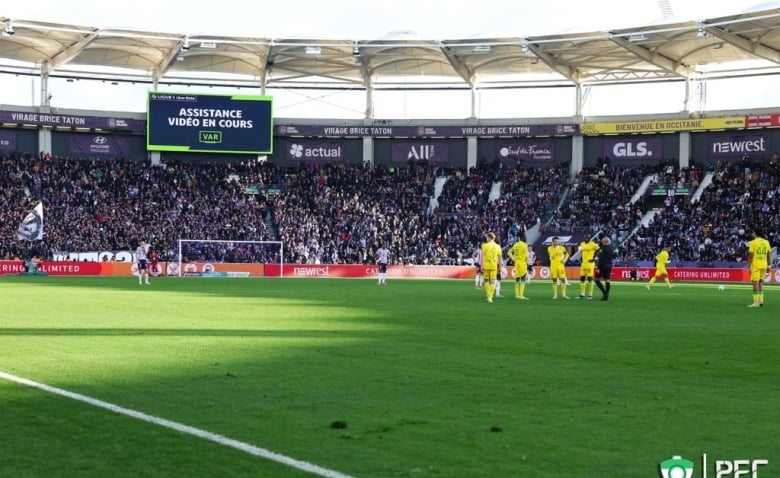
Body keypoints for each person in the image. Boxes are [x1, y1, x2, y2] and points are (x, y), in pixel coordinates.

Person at [746, 227, 771, 307]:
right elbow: (768, 255)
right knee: (761, 283)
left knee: (755, 284)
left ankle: (756, 303)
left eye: (753, 232)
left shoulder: (753, 242)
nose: (752, 234)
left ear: (756, 233)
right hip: (764, 265)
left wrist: (749, 266)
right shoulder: (766, 242)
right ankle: (761, 301)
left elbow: (750, 256)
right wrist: (769, 266)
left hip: (756, 265)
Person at [480, 232, 502, 303]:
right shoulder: (498, 246)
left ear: (490, 238)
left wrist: (481, 265)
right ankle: (490, 297)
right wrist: (500, 267)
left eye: (487, 237)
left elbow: (482, 256)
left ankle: (488, 296)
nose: (486, 238)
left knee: (486, 280)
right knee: (492, 281)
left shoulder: (484, 245)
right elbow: (500, 258)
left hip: (486, 265)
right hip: (494, 266)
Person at [507, 233, 530, 300]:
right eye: (525, 237)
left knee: (517, 278)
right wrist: (527, 263)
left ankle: (517, 295)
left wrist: (513, 258)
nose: (526, 238)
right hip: (522, 263)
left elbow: (509, 252)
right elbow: (526, 255)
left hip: (517, 263)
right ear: (523, 237)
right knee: (523, 278)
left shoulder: (516, 244)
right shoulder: (524, 245)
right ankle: (521, 295)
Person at [594, 236, 615, 301]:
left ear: (604, 241)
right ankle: (606, 294)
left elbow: (601, 259)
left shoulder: (602, 249)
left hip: (603, 266)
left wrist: (598, 267)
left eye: (602, 241)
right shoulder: (611, 248)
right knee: (607, 280)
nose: (601, 241)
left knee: (596, 279)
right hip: (609, 265)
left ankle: (605, 293)